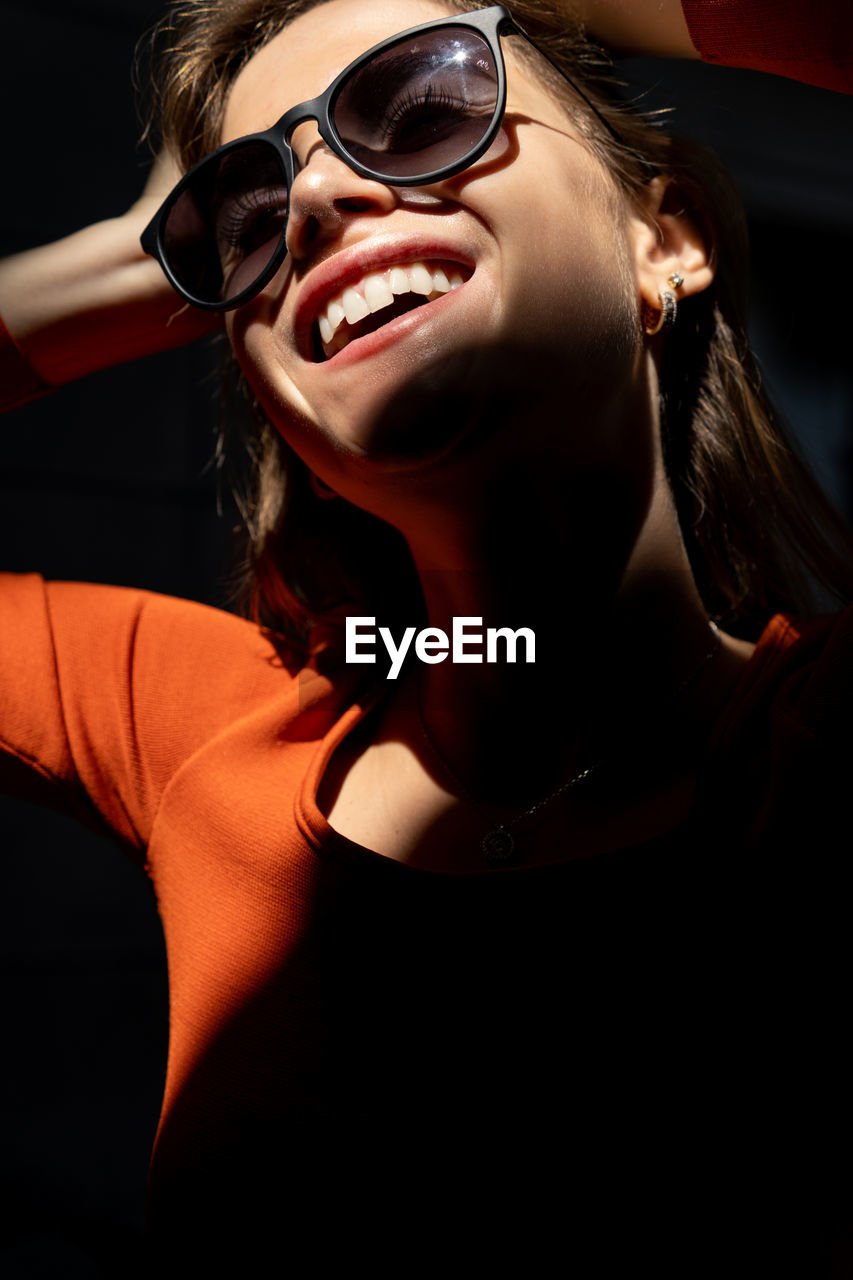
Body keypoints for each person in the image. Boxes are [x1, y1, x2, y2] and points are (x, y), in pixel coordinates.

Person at [1, 0, 851, 1273]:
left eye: (429, 107)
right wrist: (142, 255)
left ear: (661, 240)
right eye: (246, 216)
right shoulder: (211, 733)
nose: (316, 204)